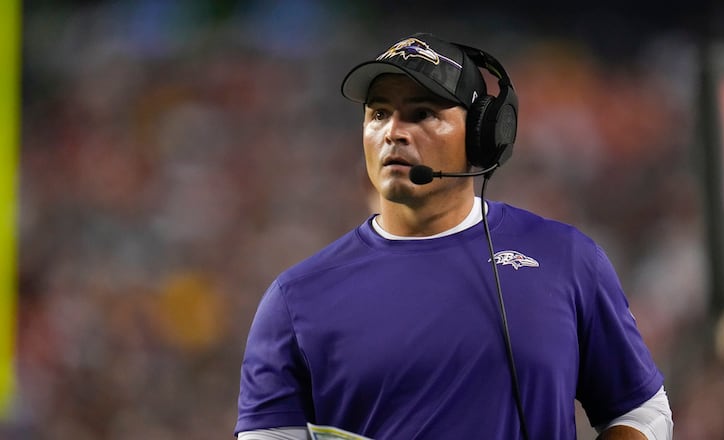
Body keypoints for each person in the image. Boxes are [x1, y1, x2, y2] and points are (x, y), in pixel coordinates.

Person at [235, 33, 673, 440]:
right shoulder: (295, 299)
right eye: (379, 113)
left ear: (483, 135)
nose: (393, 132)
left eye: (422, 113)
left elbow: (641, 410)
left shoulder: (566, 258)